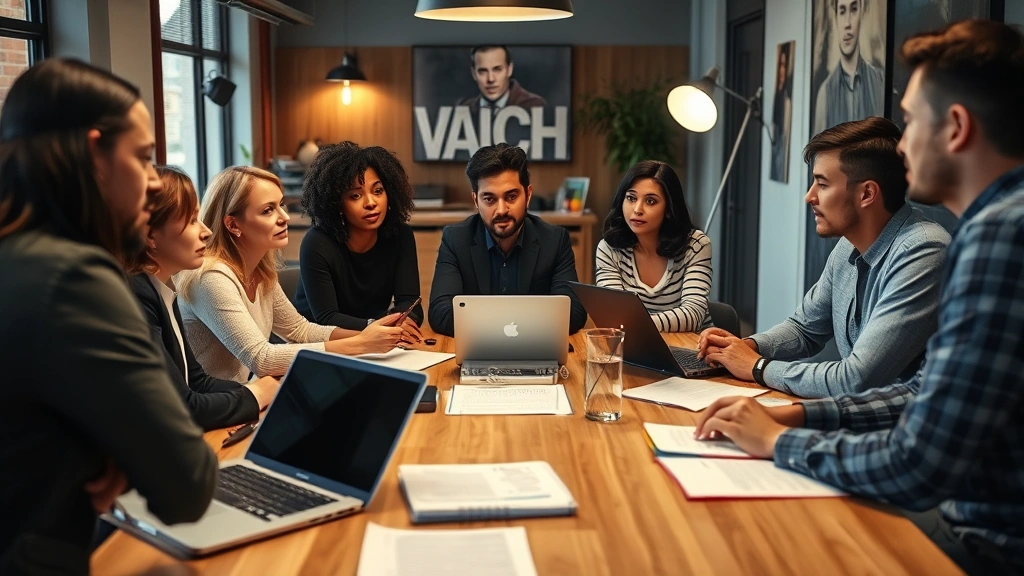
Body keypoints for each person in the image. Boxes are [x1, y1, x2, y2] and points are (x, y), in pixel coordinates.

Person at [695, 20, 1024, 574]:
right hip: (965, 509)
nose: (903, 145)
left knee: (770, 545)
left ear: (958, 128)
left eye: (913, 120)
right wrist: (798, 416)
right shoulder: (994, 225)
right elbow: (917, 393)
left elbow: (917, 462)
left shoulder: (995, 236)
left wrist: (778, 442)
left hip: (986, 535)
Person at [0, 59, 216, 574]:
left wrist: (103, 448)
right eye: (142, 159)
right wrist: (122, 451)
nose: (156, 184)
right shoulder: (76, 278)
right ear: (95, 154)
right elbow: (186, 485)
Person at [698, 117, 950, 398]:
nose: (809, 197)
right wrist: (746, 347)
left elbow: (856, 379)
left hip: (895, 428)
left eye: (822, 184)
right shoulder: (847, 246)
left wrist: (757, 367)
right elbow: (804, 329)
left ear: (867, 193)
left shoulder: (923, 252)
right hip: (852, 417)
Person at [177, 166, 414, 383]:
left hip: (240, 397)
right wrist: (360, 344)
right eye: (268, 210)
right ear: (233, 225)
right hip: (207, 414)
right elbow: (262, 358)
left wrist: (375, 334)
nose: (285, 217)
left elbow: (299, 330)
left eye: (282, 205)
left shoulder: (260, 271)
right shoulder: (211, 278)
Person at [122, 166, 281, 431]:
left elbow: (197, 382)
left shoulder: (159, 288)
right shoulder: (134, 296)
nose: (206, 231)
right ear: (150, 236)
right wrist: (257, 394)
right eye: (192, 220)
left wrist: (264, 392)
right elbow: (184, 408)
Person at [428, 143, 587, 336]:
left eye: (511, 197)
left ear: (528, 195)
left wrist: (487, 320)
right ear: (475, 201)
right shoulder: (456, 239)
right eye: (489, 199)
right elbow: (440, 313)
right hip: (479, 350)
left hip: (534, 350)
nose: (502, 210)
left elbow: (574, 313)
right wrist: (522, 322)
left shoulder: (554, 240)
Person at [294, 142, 424, 334]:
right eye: (355, 196)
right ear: (337, 203)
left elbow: (411, 304)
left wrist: (403, 321)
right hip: (318, 343)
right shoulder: (317, 242)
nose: (371, 203)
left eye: (378, 191)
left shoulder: (400, 235)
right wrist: (376, 327)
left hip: (373, 340)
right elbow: (326, 317)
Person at [595, 160, 713, 332]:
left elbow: (692, 316)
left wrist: (634, 324)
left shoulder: (696, 245)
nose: (637, 209)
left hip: (692, 347)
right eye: (631, 198)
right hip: (636, 348)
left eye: (650, 201)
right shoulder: (609, 248)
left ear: (668, 209)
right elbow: (612, 315)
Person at [813, 0, 885, 135]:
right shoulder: (825, 94)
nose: (847, 23)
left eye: (853, 10)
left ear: (862, 13)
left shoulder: (879, 82)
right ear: (835, 18)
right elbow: (817, 154)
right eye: (842, 11)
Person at [456, 45, 546, 115]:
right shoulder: (464, 109)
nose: (491, 79)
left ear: (509, 69)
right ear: (474, 74)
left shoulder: (534, 106)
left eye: (497, 69)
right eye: (483, 71)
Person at [770, 43, 793, 182]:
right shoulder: (776, 98)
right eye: (781, 65)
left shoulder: (787, 102)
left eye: (785, 66)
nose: (782, 70)